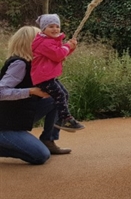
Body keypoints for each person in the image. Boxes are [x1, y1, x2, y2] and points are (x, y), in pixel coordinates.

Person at [0, 26, 71, 165]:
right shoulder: (19, 63)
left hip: (16, 117)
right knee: (40, 156)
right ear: (31, 42)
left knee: (56, 97)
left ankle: (48, 139)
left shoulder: (36, 64)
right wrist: (30, 91)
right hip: (4, 125)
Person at [31, 14, 84, 131]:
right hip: (43, 77)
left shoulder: (51, 41)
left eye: (57, 26)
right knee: (59, 95)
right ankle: (65, 118)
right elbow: (58, 54)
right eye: (51, 26)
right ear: (44, 29)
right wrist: (67, 46)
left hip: (48, 76)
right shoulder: (44, 43)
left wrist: (70, 48)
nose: (55, 29)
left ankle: (61, 119)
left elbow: (60, 56)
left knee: (64, 94)